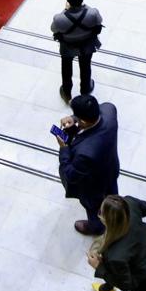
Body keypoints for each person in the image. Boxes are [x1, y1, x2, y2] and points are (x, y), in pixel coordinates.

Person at [56, 94, 120, 235]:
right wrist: (74, 118)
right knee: (112, 193)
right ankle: (115, 212)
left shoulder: (85, 153)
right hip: (110, 169)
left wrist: (64, 148)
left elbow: (70, 174)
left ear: (83, 121)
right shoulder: (110, 112)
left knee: (93, 207)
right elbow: (105, 107)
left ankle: (96, 227)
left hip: (93, 186)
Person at [88, 195, 146, 291]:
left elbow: (126, 284)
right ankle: (108, 287)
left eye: (100, 212)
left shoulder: (116, 256)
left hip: (142, 272)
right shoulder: (129, 202)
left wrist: (98, 267)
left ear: (106, 220)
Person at [51, 0, 103, 104]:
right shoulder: (93, 12)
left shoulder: (59, 18)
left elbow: (54, 30)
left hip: (67, 46)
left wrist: (65, 10)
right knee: (85, 67)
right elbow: (98, 22)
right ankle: (85, 89)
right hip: (86, 45)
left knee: (66, 68)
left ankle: (67, 92)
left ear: (68, 1)